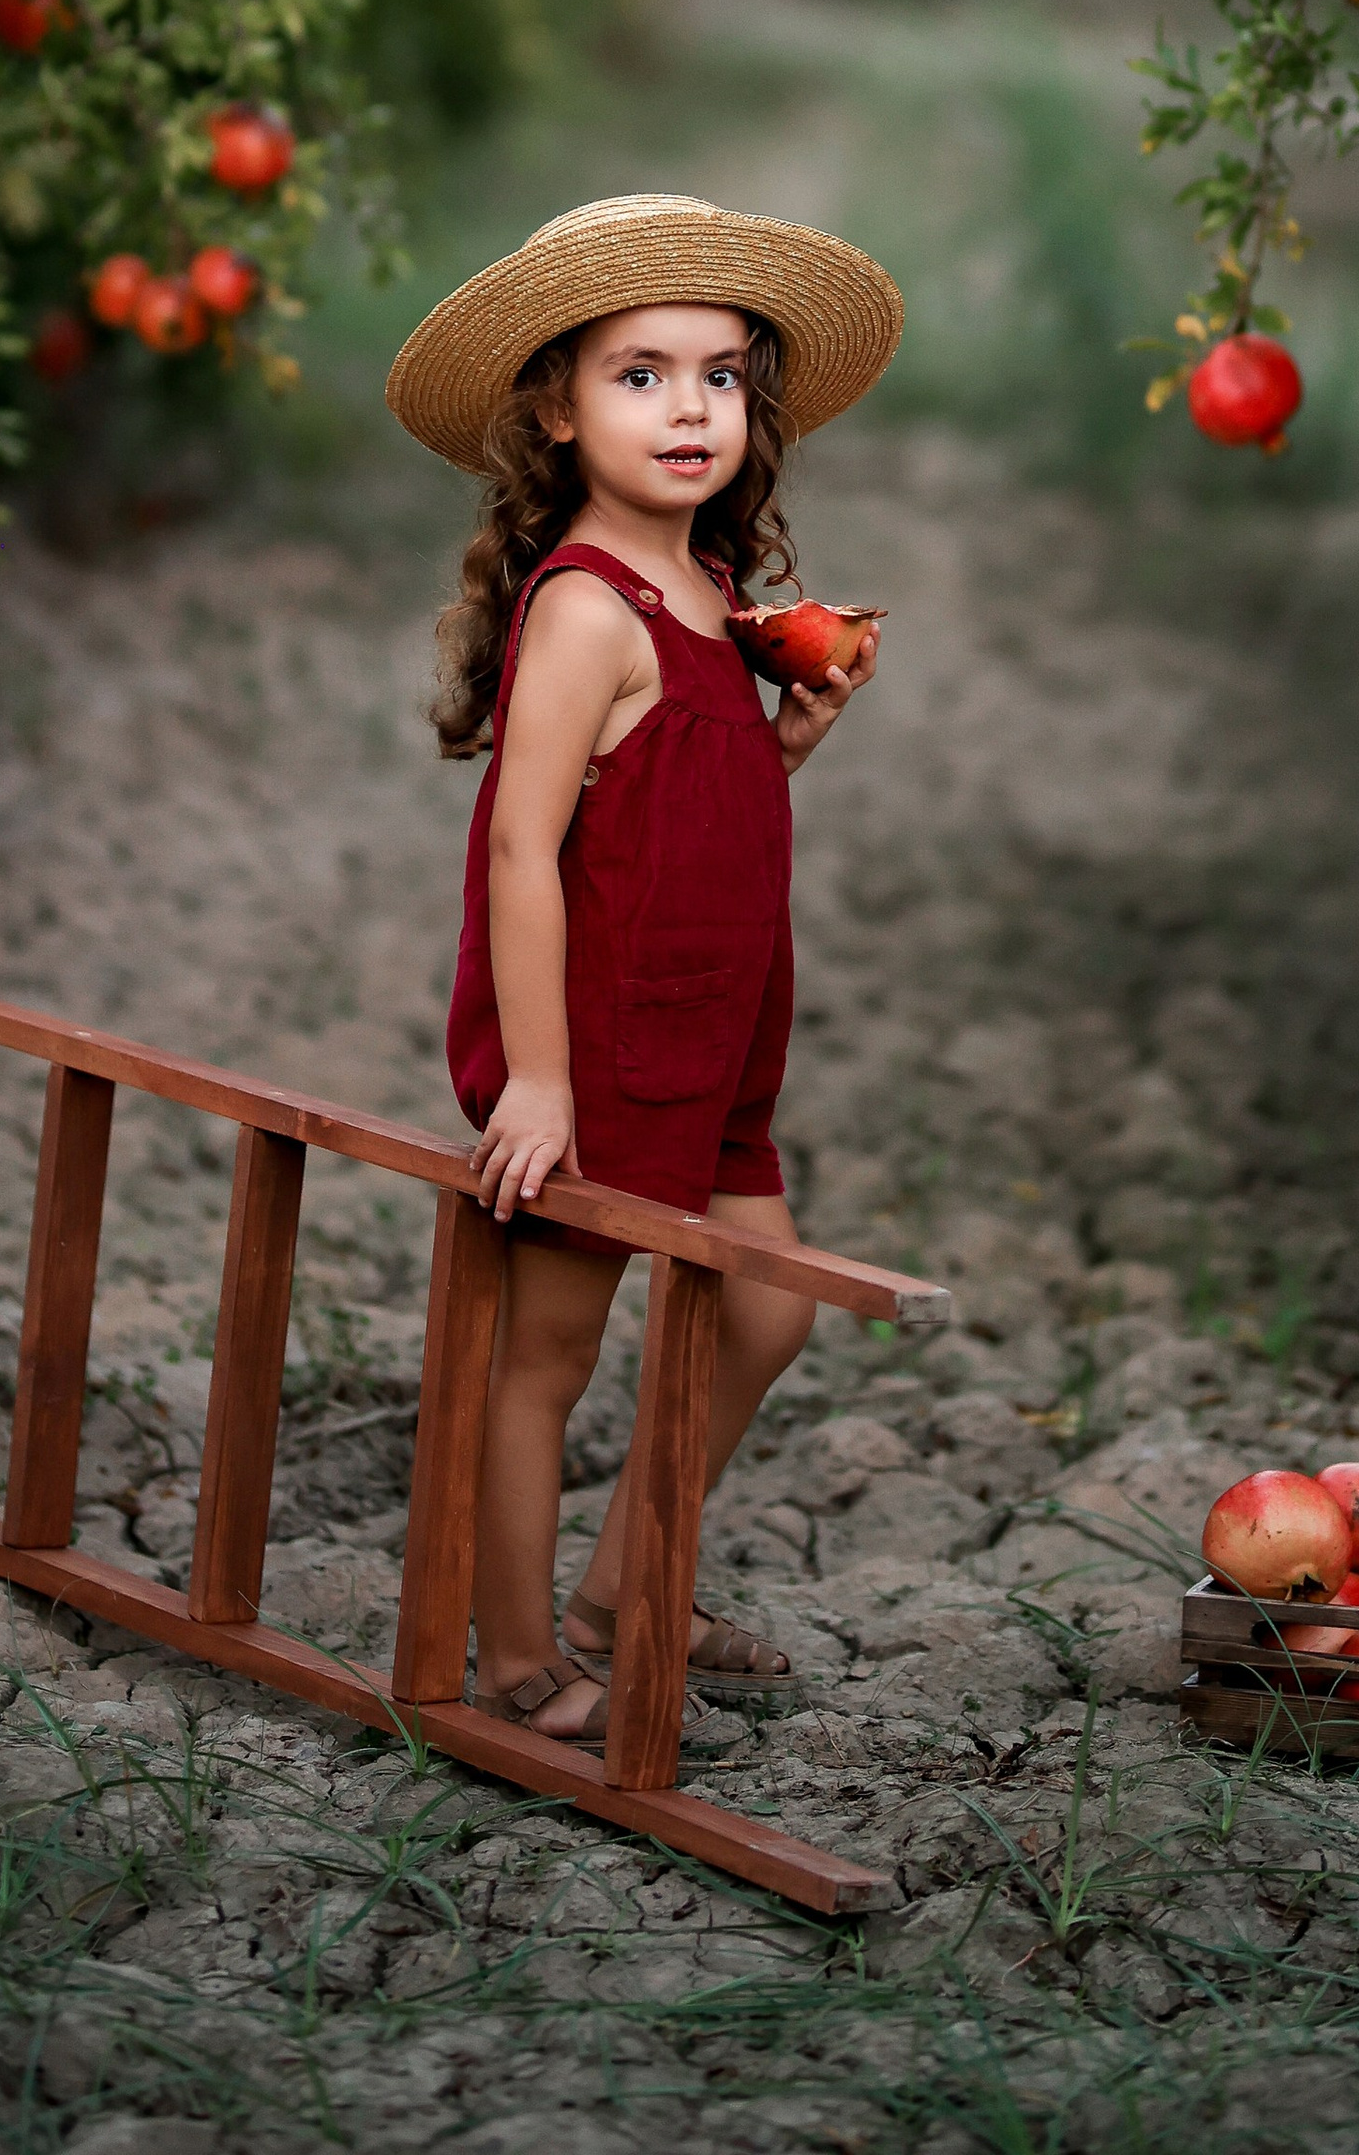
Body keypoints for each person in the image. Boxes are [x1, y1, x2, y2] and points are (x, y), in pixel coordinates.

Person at [385, 190, 903, 1742]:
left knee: (763, 1311)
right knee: (548, 1347)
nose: (689, 408)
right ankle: (519, 1655)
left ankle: (624, 1586)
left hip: (717, 1038)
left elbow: (668, 820)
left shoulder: (710, 602)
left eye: (721, 376)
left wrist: (784, 743)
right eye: (639, 374)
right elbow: (523, 850)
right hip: (600, 1045)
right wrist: (538, 1078)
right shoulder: (584, 613)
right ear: (556, 408)